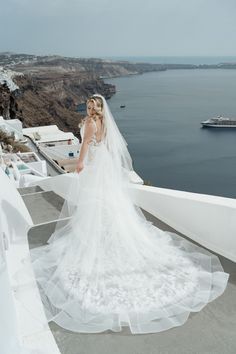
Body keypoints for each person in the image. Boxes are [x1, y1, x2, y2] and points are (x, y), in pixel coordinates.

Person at [15, 94, 229, 334]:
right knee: (110, 205)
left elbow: (85, 144)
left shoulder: (89, 123)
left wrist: (80, 164)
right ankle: (111, 237)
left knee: (95, 206)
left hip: (96, 167)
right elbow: (107, 145)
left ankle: (99, 242)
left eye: (91, 105)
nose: (89, 108)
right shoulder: (105, 123)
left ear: (95, 108)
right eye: (88, 105)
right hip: (106, 166)